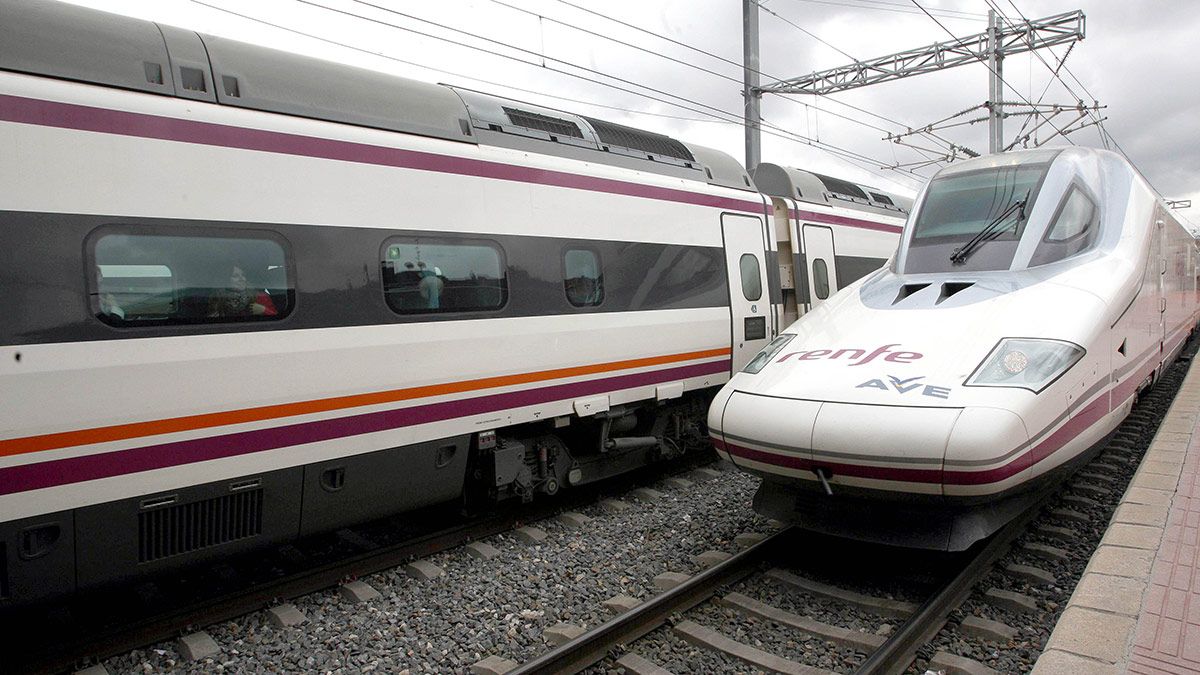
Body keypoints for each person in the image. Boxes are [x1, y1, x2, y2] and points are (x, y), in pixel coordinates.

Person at [208, 264, 277, 318]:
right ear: (226, 280)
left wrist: (263, 310)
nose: (242, 279)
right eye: (235, 276)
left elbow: (278, 322)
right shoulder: (218, 299)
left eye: (243, 275)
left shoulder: (260, 297)